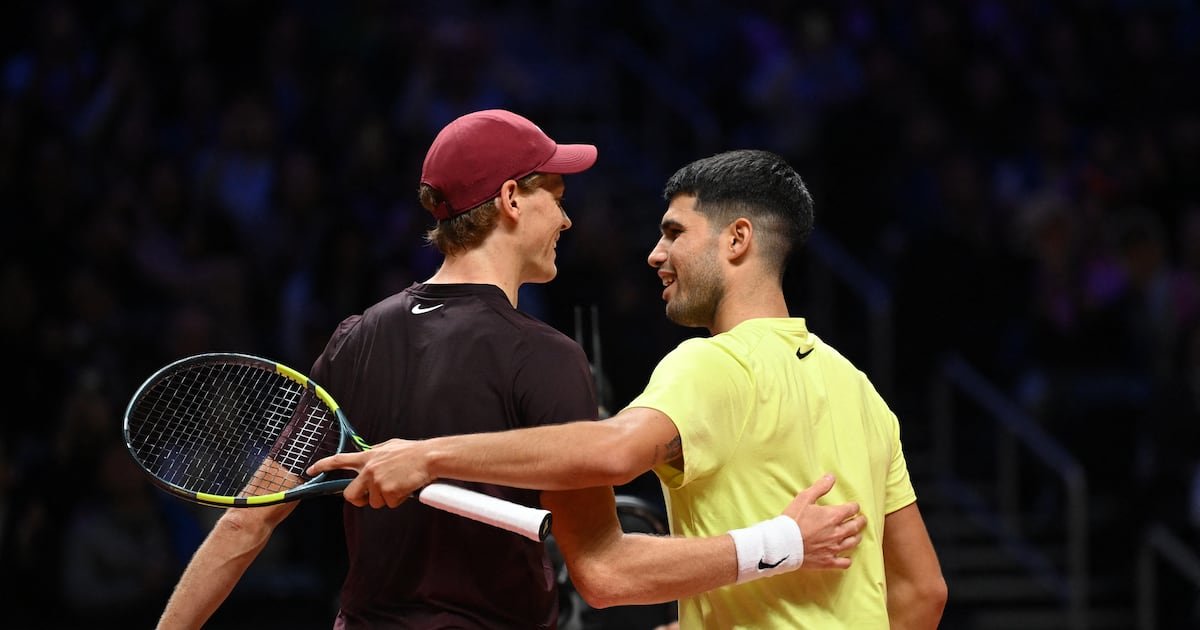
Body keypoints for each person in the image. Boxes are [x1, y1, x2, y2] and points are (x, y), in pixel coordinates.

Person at [157, 112, 866, 629]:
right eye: (556, 195)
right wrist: (780, 546)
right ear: (509, 200)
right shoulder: (547, 357)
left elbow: (246, 524)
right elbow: (606, 574)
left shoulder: (354, 338)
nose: (566, 218)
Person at [310, 149, 948, 628]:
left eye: (673, 233)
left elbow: (614, 457)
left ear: (738, 239)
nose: (653, 254)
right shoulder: (860, 390)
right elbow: (924, 592)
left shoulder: (710, 365)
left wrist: (427, 455)